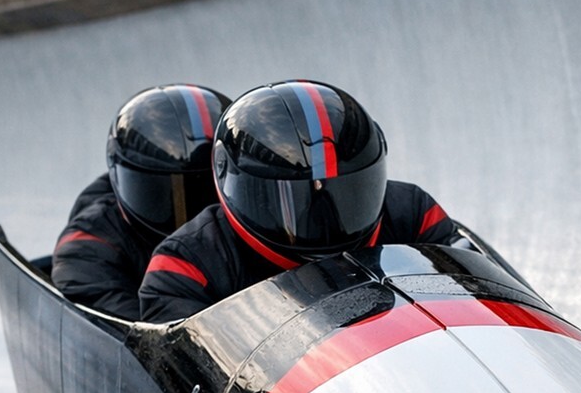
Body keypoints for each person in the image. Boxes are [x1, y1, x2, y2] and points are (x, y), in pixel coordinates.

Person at [138, 81, 457, 321]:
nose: (322, 212)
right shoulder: (188, 265)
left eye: (339, 191)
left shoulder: (414, 214)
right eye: (294, 197)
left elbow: (472, 291)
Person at [51, 84, 232, 319]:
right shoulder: (85, 249)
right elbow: (138, 336)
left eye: (202, 187)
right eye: (163, 195)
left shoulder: (243, 234)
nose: (187, 216)